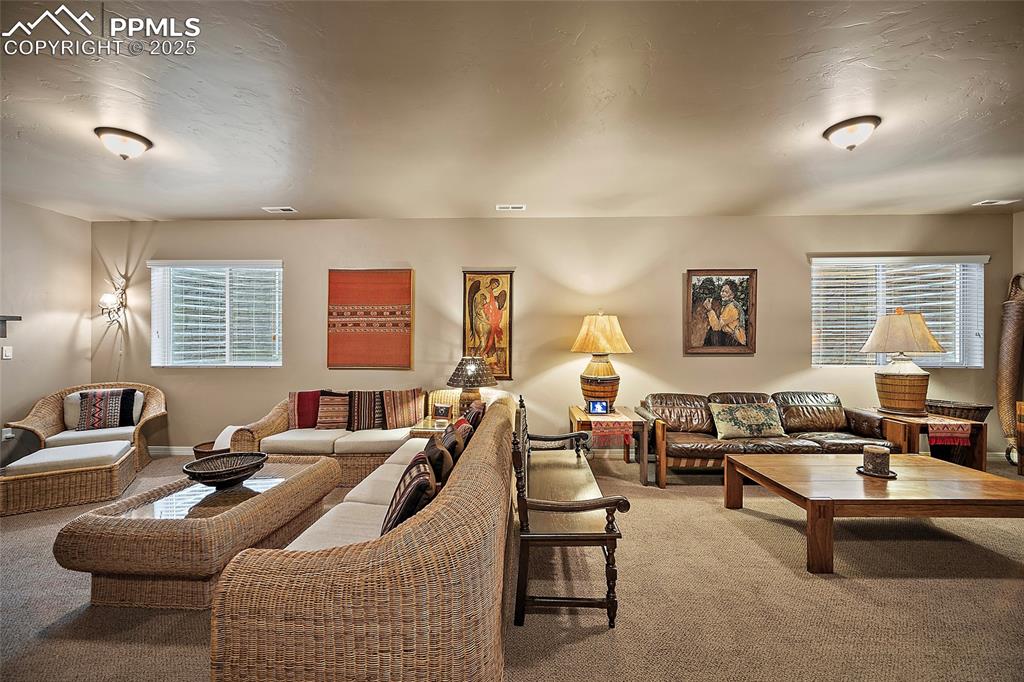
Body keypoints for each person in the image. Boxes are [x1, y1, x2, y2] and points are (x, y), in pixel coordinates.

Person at [703, 279, 746, 346]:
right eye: (722, 291)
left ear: (732, 295)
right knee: (711, 331)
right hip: (728, 336)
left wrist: (710, 310)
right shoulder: (727, 305)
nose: (722, 293)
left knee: (712, 333)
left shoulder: (732, 308)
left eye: (725, 292)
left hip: (735, 340)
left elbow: (717, 327)